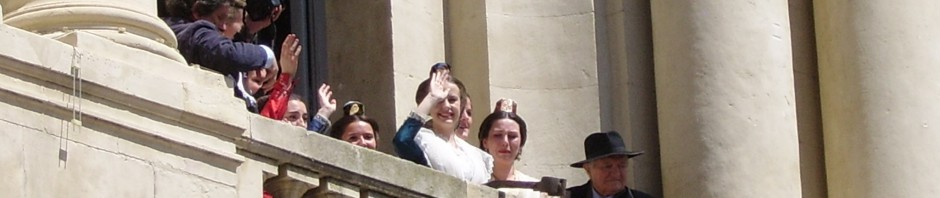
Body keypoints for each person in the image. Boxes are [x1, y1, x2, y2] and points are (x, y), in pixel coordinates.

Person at [393, 67, 493, 184]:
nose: (446, 106)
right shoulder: (423, 142)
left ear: (461, 105)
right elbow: (401, 141)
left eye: (452, 100)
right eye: (439, 100)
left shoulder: (475, 155)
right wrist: (431, 97)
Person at [478, 99, 544, 197]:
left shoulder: (535, 191)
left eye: (512, 136)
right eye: (498, 135)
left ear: (521, 143)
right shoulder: (475, 184)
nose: (505, 142)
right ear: (485, 142)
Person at [567, 131, 653, 198]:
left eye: (621, 166)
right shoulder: (567, 196)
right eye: (607, 166)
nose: (616, 173)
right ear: (588, 170)